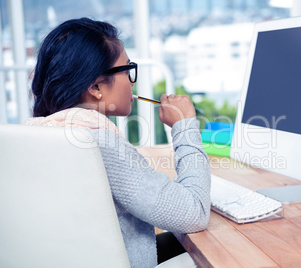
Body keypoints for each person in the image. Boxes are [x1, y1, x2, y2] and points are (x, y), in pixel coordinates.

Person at [25, 18, 211, 268]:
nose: (132, 81)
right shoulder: (99, 142)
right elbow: (194, 212)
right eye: (127, 69)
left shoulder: (46, 133)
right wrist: (185, 125)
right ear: (96, 86)